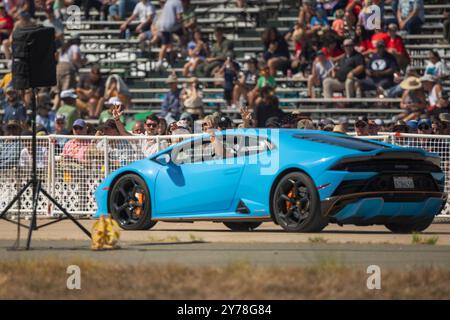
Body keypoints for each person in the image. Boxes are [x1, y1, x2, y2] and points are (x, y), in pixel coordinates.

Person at [156, 0, 185, 71]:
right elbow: (178, 17)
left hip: (162, 25)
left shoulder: (168, 1)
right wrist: (182, 21)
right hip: (171, 25)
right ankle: (183, 52)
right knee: (183, 35)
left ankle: (159, 61)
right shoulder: (178, 2)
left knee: (164, 44)